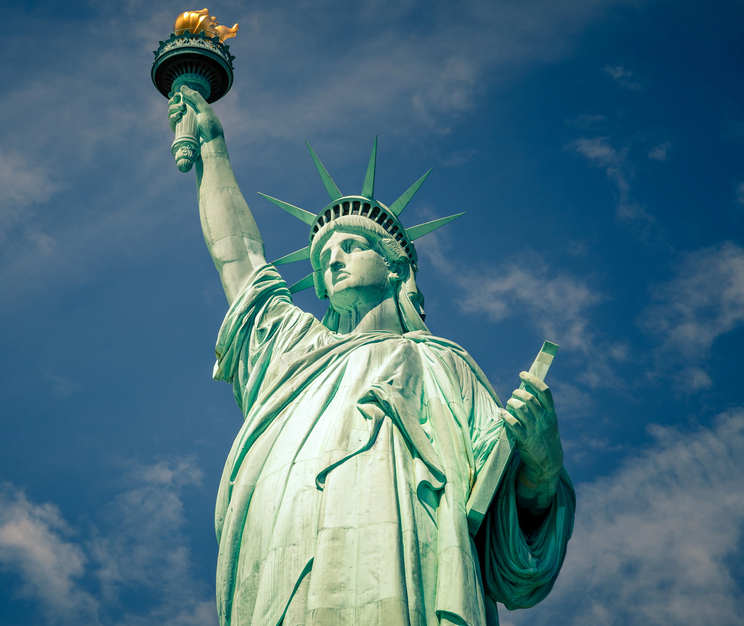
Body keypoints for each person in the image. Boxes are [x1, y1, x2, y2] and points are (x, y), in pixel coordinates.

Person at [168, 87, 575, 626]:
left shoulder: (444, 366)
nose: (332, 258)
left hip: (408, 579)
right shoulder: (291, 349)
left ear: (396, 268)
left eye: (352, 246)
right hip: (281, 578)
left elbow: (503, 534)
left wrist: (541, 469)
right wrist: (214, 152)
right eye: (323, 255)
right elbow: (238, 259)